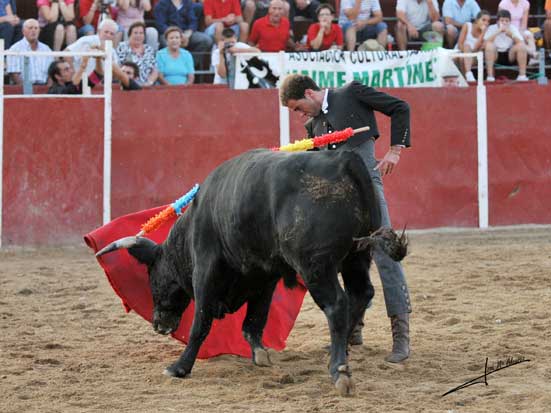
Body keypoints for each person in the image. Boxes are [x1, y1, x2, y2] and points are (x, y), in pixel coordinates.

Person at [279, 74, 412, 365]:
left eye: (298, 107)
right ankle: (353, 329)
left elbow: (400, 107)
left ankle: (401, 335)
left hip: (367, 192)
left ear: (310, 93)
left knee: (385, 253)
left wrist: (394, 150)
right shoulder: (313, 126)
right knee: (343, 259)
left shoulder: (351, 93)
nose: (299, 115)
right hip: (335, 204)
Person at [483, 9, 528, 82]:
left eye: (507, 21)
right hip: (495, 54)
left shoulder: (512, 28)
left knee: (521, 46)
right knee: (489, 46)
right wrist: (498, 32)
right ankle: (490, 76)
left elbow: (521, 43)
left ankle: (522, 75)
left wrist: (511, 35)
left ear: (510, 22)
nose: (504, 23)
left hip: (509, 54)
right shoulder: (492, 28)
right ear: (497, 21)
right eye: (502, 20)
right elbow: (484, 44)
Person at [7, 19, 53, 85]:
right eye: (30, 28)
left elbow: (51, 73)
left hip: (44, 87)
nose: (33, 30)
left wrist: (48, 90)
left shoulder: (46, 49)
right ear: (23, 31)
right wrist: (26, 91)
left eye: (36, 28)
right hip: (24, 88)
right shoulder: (15, 49)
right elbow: (14, 74)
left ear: (39, 31)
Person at [116, 21, 158, 86]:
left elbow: (155, 70)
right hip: (127, 85)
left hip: (146, 87)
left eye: (141, 33)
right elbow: (117, 68)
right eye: (135, 33)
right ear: (129, 35)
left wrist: (149, 83)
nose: (138, 35)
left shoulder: (149, 49)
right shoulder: (122, 47)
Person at [457, 9, 490, 82]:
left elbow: (475, 49)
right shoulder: (467, 25)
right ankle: (468, 76)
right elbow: (460, 44)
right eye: (483, 20)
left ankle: (467, 77)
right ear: (477, 20)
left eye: (488, 21)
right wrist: (466, 52)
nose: (486, 23)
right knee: (466, 47)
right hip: (461, 52)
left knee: (463, 57)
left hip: (475, 56)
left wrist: (483, 33)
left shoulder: (486, 32)